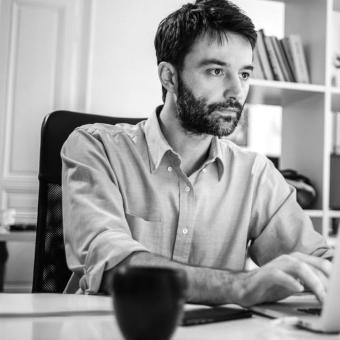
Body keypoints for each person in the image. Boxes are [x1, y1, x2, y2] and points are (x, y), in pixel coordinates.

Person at [61, 0, 332, 306]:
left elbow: (316, 262)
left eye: (244, 74)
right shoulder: (95, 148)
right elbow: (115, 266)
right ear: (169, 77)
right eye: (216, 71)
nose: (236, 92)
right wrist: (241, 286)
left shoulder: (256, 174)